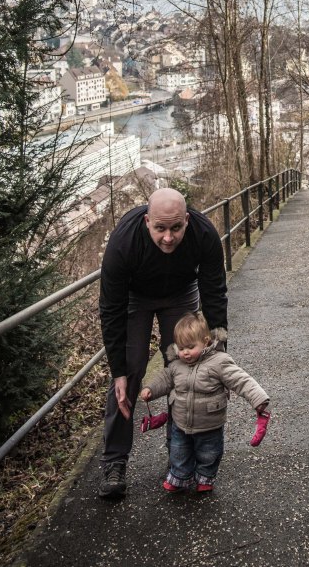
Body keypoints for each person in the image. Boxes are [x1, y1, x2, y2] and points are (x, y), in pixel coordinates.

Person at [97, 187, 228, 499]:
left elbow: (214, 293)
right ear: (147, 221)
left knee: (184, 365)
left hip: (181, 294)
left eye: (176, 228)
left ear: (187, 220)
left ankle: (179, 454)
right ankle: (115, 461)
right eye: (160, 228)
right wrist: (117, 370)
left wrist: (219, 352)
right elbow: (111, 310)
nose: (168, 237)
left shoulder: (204, 234)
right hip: (134, 297)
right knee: (129, 372)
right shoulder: (123, 242)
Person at [140, 312, 270, 495]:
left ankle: (205, 476)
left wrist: (259, 400)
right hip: (181, 422)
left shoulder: (219, 362)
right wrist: (150, 389)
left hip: (210, 422)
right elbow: (164, 379)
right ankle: (180, 476)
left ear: (206, 341)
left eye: (190, 347)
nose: (185, 352)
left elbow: (241, 380)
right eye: (181, 348)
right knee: (179, 451)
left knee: (209, 453)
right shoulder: (176, 365)